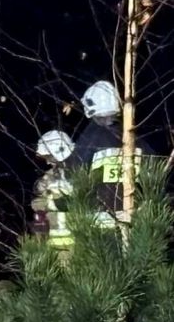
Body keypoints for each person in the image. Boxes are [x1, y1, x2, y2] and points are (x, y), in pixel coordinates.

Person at [69, 80, 155, 225]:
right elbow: (155, 174)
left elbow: (73, 172)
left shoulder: (91, 138)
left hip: (99, 222)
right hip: (134, 219)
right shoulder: (134, 137)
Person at [31, 130, 76, 259]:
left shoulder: (79, 173)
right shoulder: (50, 176)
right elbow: (37, 200)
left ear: (59, 151)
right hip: (53, 244)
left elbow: (77, 202)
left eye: (49, 157)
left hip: (76, 245)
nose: (47, 162)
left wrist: (46, 203)